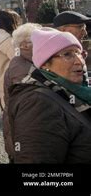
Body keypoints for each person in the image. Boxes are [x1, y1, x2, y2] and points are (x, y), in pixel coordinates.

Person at [8, 28, 91, 163]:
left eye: (79, 53)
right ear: (46, 64)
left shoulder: (75, 91)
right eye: (67, 54)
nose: (79, 61)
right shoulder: (38, 104)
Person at [2, 23, 41, 162]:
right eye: (39, 39)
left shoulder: (26, 63)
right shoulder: (22, 70)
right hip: (26, 143)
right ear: (25, 46)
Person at [0, 9, 21, 109]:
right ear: (11, 23)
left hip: (3, 85)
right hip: (12, 85)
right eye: (17, 21)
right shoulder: (8, 41)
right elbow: (20, 61)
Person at [54, 11, 90, 86]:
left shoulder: (80, 52)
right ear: (63, 30)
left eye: (84, 28)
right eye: (80, 27)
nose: (85, 32)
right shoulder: (54, 56)